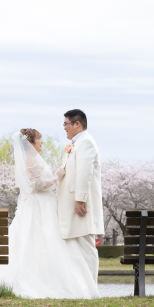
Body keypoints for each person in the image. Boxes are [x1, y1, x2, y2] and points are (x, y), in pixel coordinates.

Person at [0, 125, 100, 298]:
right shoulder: (31, 160)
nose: (42, 142)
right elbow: (38, 185)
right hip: (39, 206)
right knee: (44, 240)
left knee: (37, 241)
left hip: (40, 204)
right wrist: (56, 177)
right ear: (30, 142)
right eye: (39, 138)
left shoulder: (31, 159)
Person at [56, 109, 104, 285]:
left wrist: (80, 200)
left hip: (81, 205)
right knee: (77, 246)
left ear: (77, 124)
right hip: (73, 204)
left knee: (86, 246)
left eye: (66, 124)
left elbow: (85, 173)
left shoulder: (86, 142)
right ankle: (81, 286)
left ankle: (91, 286)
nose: (64, 128)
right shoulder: (77, 143)